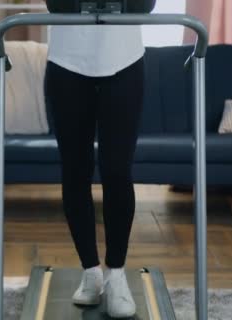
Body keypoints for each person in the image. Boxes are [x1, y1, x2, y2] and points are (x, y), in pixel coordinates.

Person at [44, 23, 145, 318]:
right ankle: (91, 271)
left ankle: (116, 274)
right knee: (76, 171)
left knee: (117, 171)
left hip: (124, 59)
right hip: (67, 62)